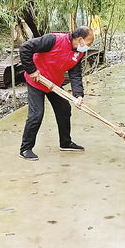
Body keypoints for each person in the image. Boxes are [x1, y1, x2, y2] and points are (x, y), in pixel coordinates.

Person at [18, 26, 94, 161]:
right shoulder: (53, 40)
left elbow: (75, 75)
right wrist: (31, 70)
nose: (89, 46)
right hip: (37, 81)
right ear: (80, 39)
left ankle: (65, 143)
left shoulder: (78, 53)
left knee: (64, 109)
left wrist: (79, 95)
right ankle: (25, 149)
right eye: (89, 42)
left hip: (53, 84)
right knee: (36, 115)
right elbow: (25, 48)